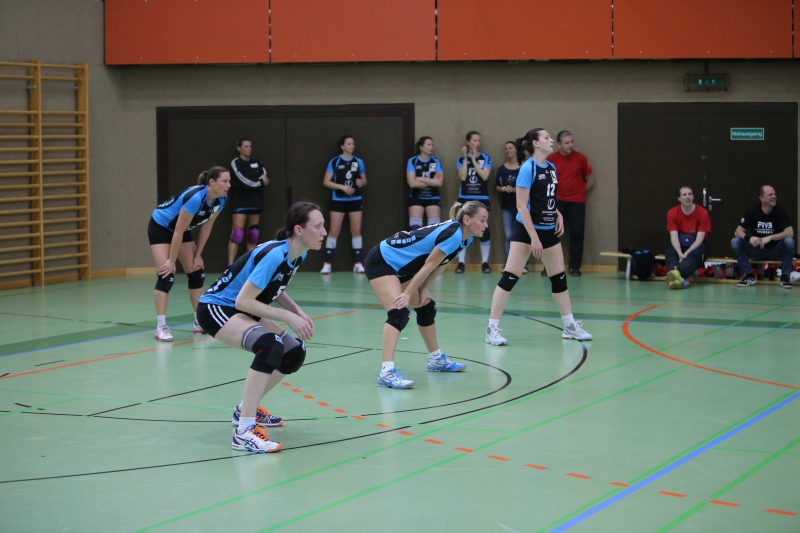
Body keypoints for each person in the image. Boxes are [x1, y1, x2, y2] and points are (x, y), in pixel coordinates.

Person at [196, 202, 326, 452]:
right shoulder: (275, 254)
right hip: (217, 308)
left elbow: (274, 286)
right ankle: (243, 432)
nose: (323, 232)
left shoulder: (298, 253)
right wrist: (287, 317)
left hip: (242, 308)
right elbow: (242, 301)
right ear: (299, 229)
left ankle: (244, 410)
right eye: (318, 226)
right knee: (270, 345)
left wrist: (297, 311)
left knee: (293, 352)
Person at [485, 128, 592, 346]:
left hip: (548, 229)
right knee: (510, 275)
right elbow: (521, 206)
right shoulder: (527, 168)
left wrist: (557, 213)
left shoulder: (551, 167)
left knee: (558, 277)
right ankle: (492, 329)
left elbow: (546, 198)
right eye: (546, 137)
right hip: (527, 229)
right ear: (535, 143)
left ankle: (569, 326)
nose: (551, 140)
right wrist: (534, 237)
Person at [364, 201, 489, 389]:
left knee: (426, 307)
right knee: (399, 313)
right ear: (467, 219)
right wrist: (407, 293)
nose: (486, 225)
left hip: (403, 266)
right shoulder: (454, 234)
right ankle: (386, 373)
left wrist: (423, 288)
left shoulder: (466, 238)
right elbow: (429, 264)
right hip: (383, 260)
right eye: (483, 220)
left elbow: (441, 264)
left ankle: (436, 360)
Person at [148, 166, 230, 342]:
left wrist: (198, 255)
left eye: (229, 181)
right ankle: (161, 326)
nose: (228, 185)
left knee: (196, 272)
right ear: (212, 182)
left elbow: (206, 227)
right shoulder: (195, 198)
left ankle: (199, 322)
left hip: (181, 230)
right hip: (161, 227)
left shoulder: (221, 199)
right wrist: (171, 261)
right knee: (166, 275)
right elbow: (177, 230)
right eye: (224, 181)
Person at [545, 130, 594, 277]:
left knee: (577, 233)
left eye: (572, 142)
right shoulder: (551, 159)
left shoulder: (581, 158)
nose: (570, 145)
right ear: (559, 144)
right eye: (567, 143)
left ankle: (575, 267)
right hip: (557, 202)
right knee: (552, 233)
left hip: (576, 202)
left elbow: (590, 180)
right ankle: (549, 266)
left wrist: (579, 193)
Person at [731, 185, 795, 289]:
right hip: (757, 250)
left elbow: (790, 232)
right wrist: (749, 238)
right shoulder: (752, 211)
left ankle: (785, 277)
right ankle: (749, 275)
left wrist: (770, 237)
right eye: (770, 194)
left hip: (775, 251)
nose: (774, 196)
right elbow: (737, 232)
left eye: (775, 194)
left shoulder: (780, 211)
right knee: (735, 241)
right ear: (761, 198)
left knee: (789, 241)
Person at [321, 135, 367, 274]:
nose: (352, 146)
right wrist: (342, 187)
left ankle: (358, 262)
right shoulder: (335, 161)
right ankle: (327, 263)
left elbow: (364, 180)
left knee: (356, 230)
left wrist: (361, 182)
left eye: (353, 144)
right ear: (342, 146)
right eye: (349, 144)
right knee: (334, 231)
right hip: (338, 200)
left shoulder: (358, 161)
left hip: (355, 199)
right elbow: (326, 181)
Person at [454, 131, 493, 273]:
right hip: (465, 197)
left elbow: (484, 176)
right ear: (468, 142)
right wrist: (466, 158)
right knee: (462, 229)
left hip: (481, 197)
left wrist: (475, 160)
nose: (477, 143)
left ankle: (485, 263)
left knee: (484, 229)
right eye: (475, 140)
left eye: (479, 141)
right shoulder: (460, 159)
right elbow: (463, 177)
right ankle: (461, 263)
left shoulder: (486, 158)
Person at [227, 138, 269, 266]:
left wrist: (258, 182)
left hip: (255, 201)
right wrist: (258, 183)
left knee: (253, 233)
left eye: (250, 146)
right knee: (237, 233)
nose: (249, 149)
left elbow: (265, 178)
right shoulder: (235, 163)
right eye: (245, 146)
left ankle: (250, 264)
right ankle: (230, 265)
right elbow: (242, 180)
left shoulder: (257, 162)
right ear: (239, 148)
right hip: (240, 202)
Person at [664, 185, 711, 289]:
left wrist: (686, 253)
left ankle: (676, 275)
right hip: (680, 245)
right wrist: (680, 253)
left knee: (694, 254)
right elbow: (674, 237)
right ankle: (678, 279)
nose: (687, 197)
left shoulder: (703, 212)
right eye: (684, 195)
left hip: (696, 245)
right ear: (679, 198)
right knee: (670, 251)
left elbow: (699, 239)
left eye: (690, 194)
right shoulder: (672, 213)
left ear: (693, 196)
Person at [494, 141, 525, 272]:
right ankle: (508, 264)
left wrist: (521, 189)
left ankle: (523, 264)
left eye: (510, 148)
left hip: (522, 206)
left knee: (522, 235)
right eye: (506, 149)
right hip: (507, 206)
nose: (508, 151)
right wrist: (504, 188)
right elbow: (496, 186)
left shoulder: (524, 166)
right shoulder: (502, 169)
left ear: (516, 149)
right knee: (509, 235)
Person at [407, 136, 444, 231]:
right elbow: (412, 183)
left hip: (433, 197)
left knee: (434, 229)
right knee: (415, 228)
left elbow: (439, 182)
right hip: (416, 197)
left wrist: (419, 178)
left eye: (432, 145)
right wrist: (432, 181)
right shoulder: (413, 161)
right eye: (428, 145)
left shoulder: (436, 161)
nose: (431, 147)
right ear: (421, 147)